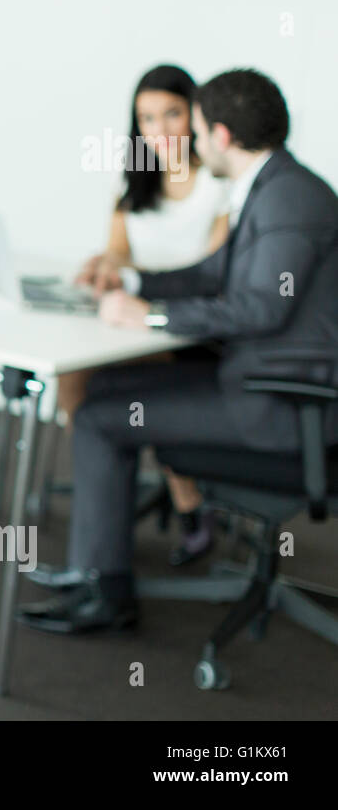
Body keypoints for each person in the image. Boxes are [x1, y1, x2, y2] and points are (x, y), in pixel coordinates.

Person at [19, 68, 338, 635]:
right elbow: (214, 273)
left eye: (191, 126)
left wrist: (153, 317)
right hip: (262, 383)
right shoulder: (271, 185)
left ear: (219, 135)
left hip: (283, 407)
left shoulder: (290, 197)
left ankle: (103, 589)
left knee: (97, 416)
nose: (185, 139)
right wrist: (135, 286)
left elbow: (263, 307)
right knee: (105, 390)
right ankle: (95, 572)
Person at [65, 64, 230, 566]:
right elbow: (118, 253)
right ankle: (104, 489)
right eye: (147, 118)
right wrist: (103, 268)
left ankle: (188, 500)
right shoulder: (136, 180)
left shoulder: (218, 184)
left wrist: (139, 291)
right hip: (133, 319)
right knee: (72, 376)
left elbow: (213, 275)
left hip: (187, 329)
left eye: (172, 114)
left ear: (194, 114)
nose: (159, 130)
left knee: (141, 376)